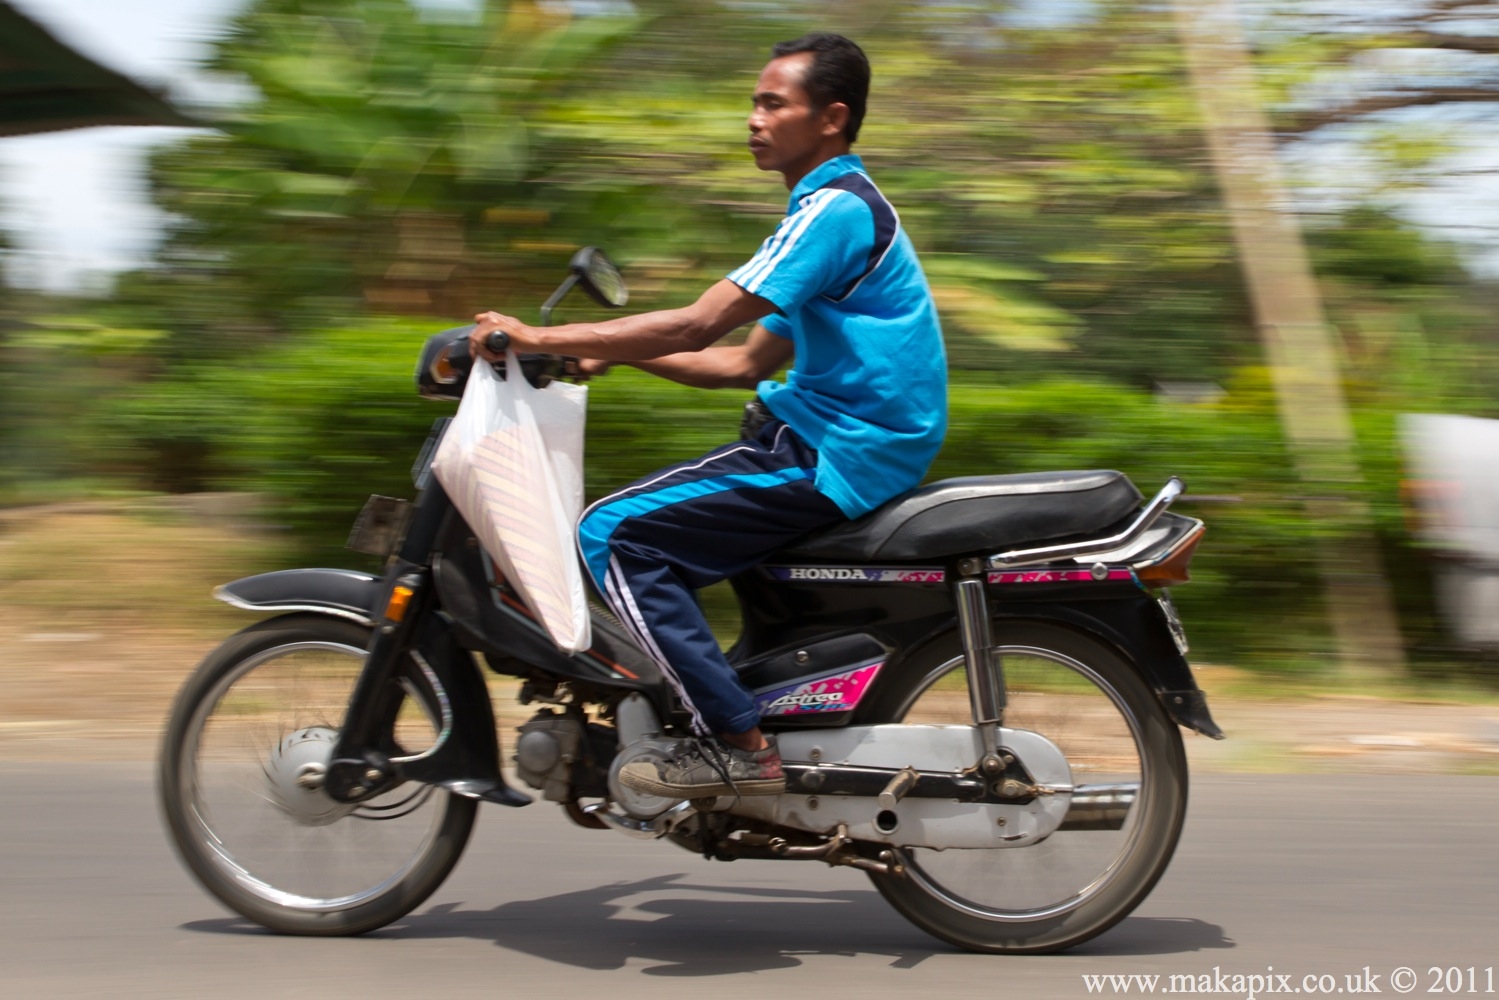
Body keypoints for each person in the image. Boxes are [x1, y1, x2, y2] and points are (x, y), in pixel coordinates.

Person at [469, 32, 946, 798]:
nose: (752, 119)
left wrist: (537, 336)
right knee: (645, 527)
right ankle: (728, 709)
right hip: (831, 438)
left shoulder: (831, 212)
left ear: (830, 118)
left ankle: (736, 743)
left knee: (611, 535)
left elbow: (699, 326)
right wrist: (612, 352)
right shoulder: (835, 212)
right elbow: (741, 365)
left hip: (835, 451)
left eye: (771, 103)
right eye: (752, 102)